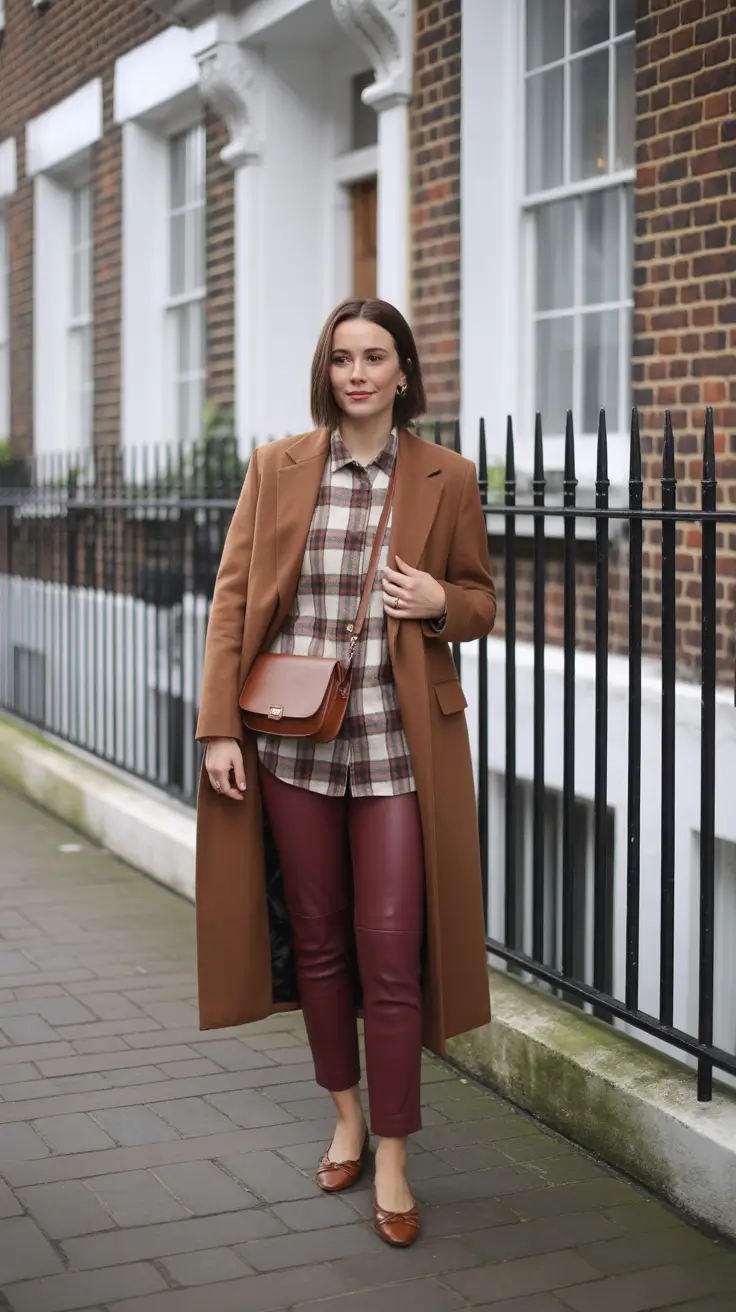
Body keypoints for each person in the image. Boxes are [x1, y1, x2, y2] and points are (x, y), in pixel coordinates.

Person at [195, 297, 496, 1247]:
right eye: (340, 359)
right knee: (319, 939)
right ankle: (347, 1117)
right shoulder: (280, 467)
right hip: (290, 744)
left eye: (375, 357)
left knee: (391, 948)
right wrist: (218, 731)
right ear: (326, 374)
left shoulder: (447, 477)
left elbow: (483, 600)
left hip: (397, 751)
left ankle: (397, 1155)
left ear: (404, 371)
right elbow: (233, 602)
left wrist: (442, 597)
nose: (357, 373)